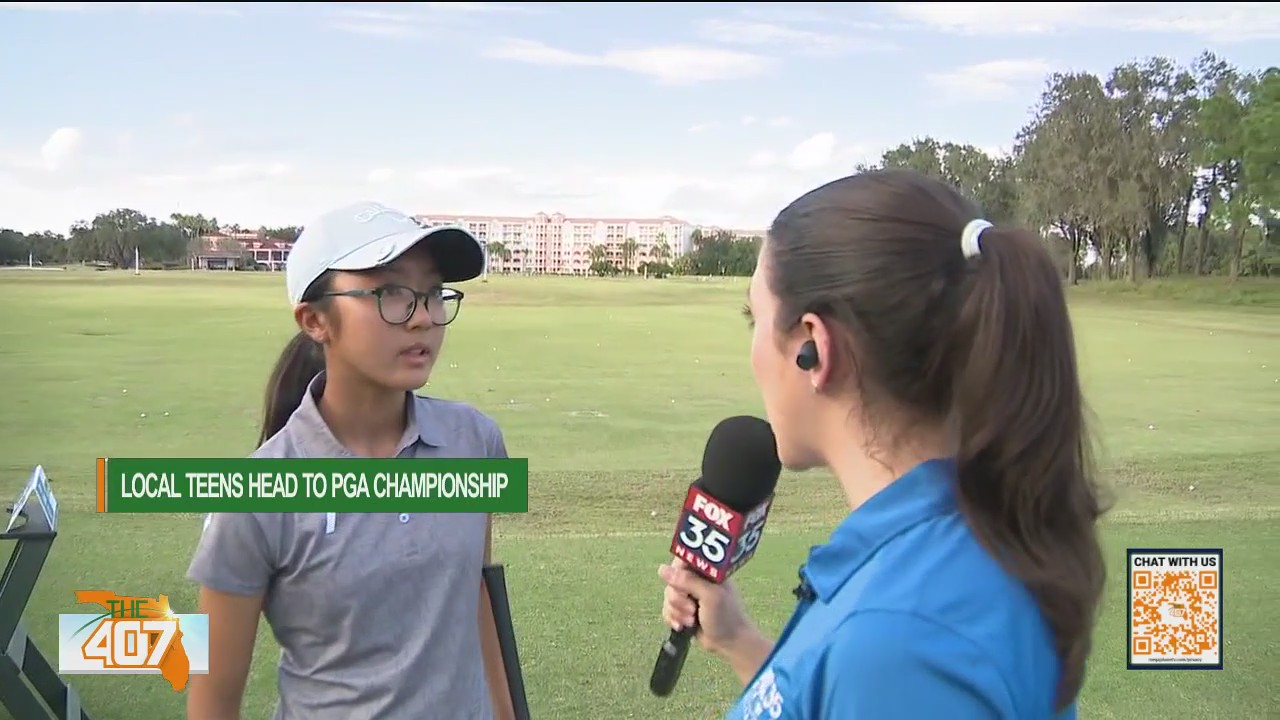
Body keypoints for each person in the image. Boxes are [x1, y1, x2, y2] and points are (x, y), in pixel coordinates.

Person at [658, 168, 1108, 719]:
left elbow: (888, 672)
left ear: (813, 348)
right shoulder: (953, 544)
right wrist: (739, 641)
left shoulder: (902, 644)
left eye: (755, 317)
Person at [186, 202, 516, 720]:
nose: (425, 317)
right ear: (315, 320)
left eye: (432, 293)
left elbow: (479, 596)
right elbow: (212, 703)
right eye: (391, 294)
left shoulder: (475, 441)